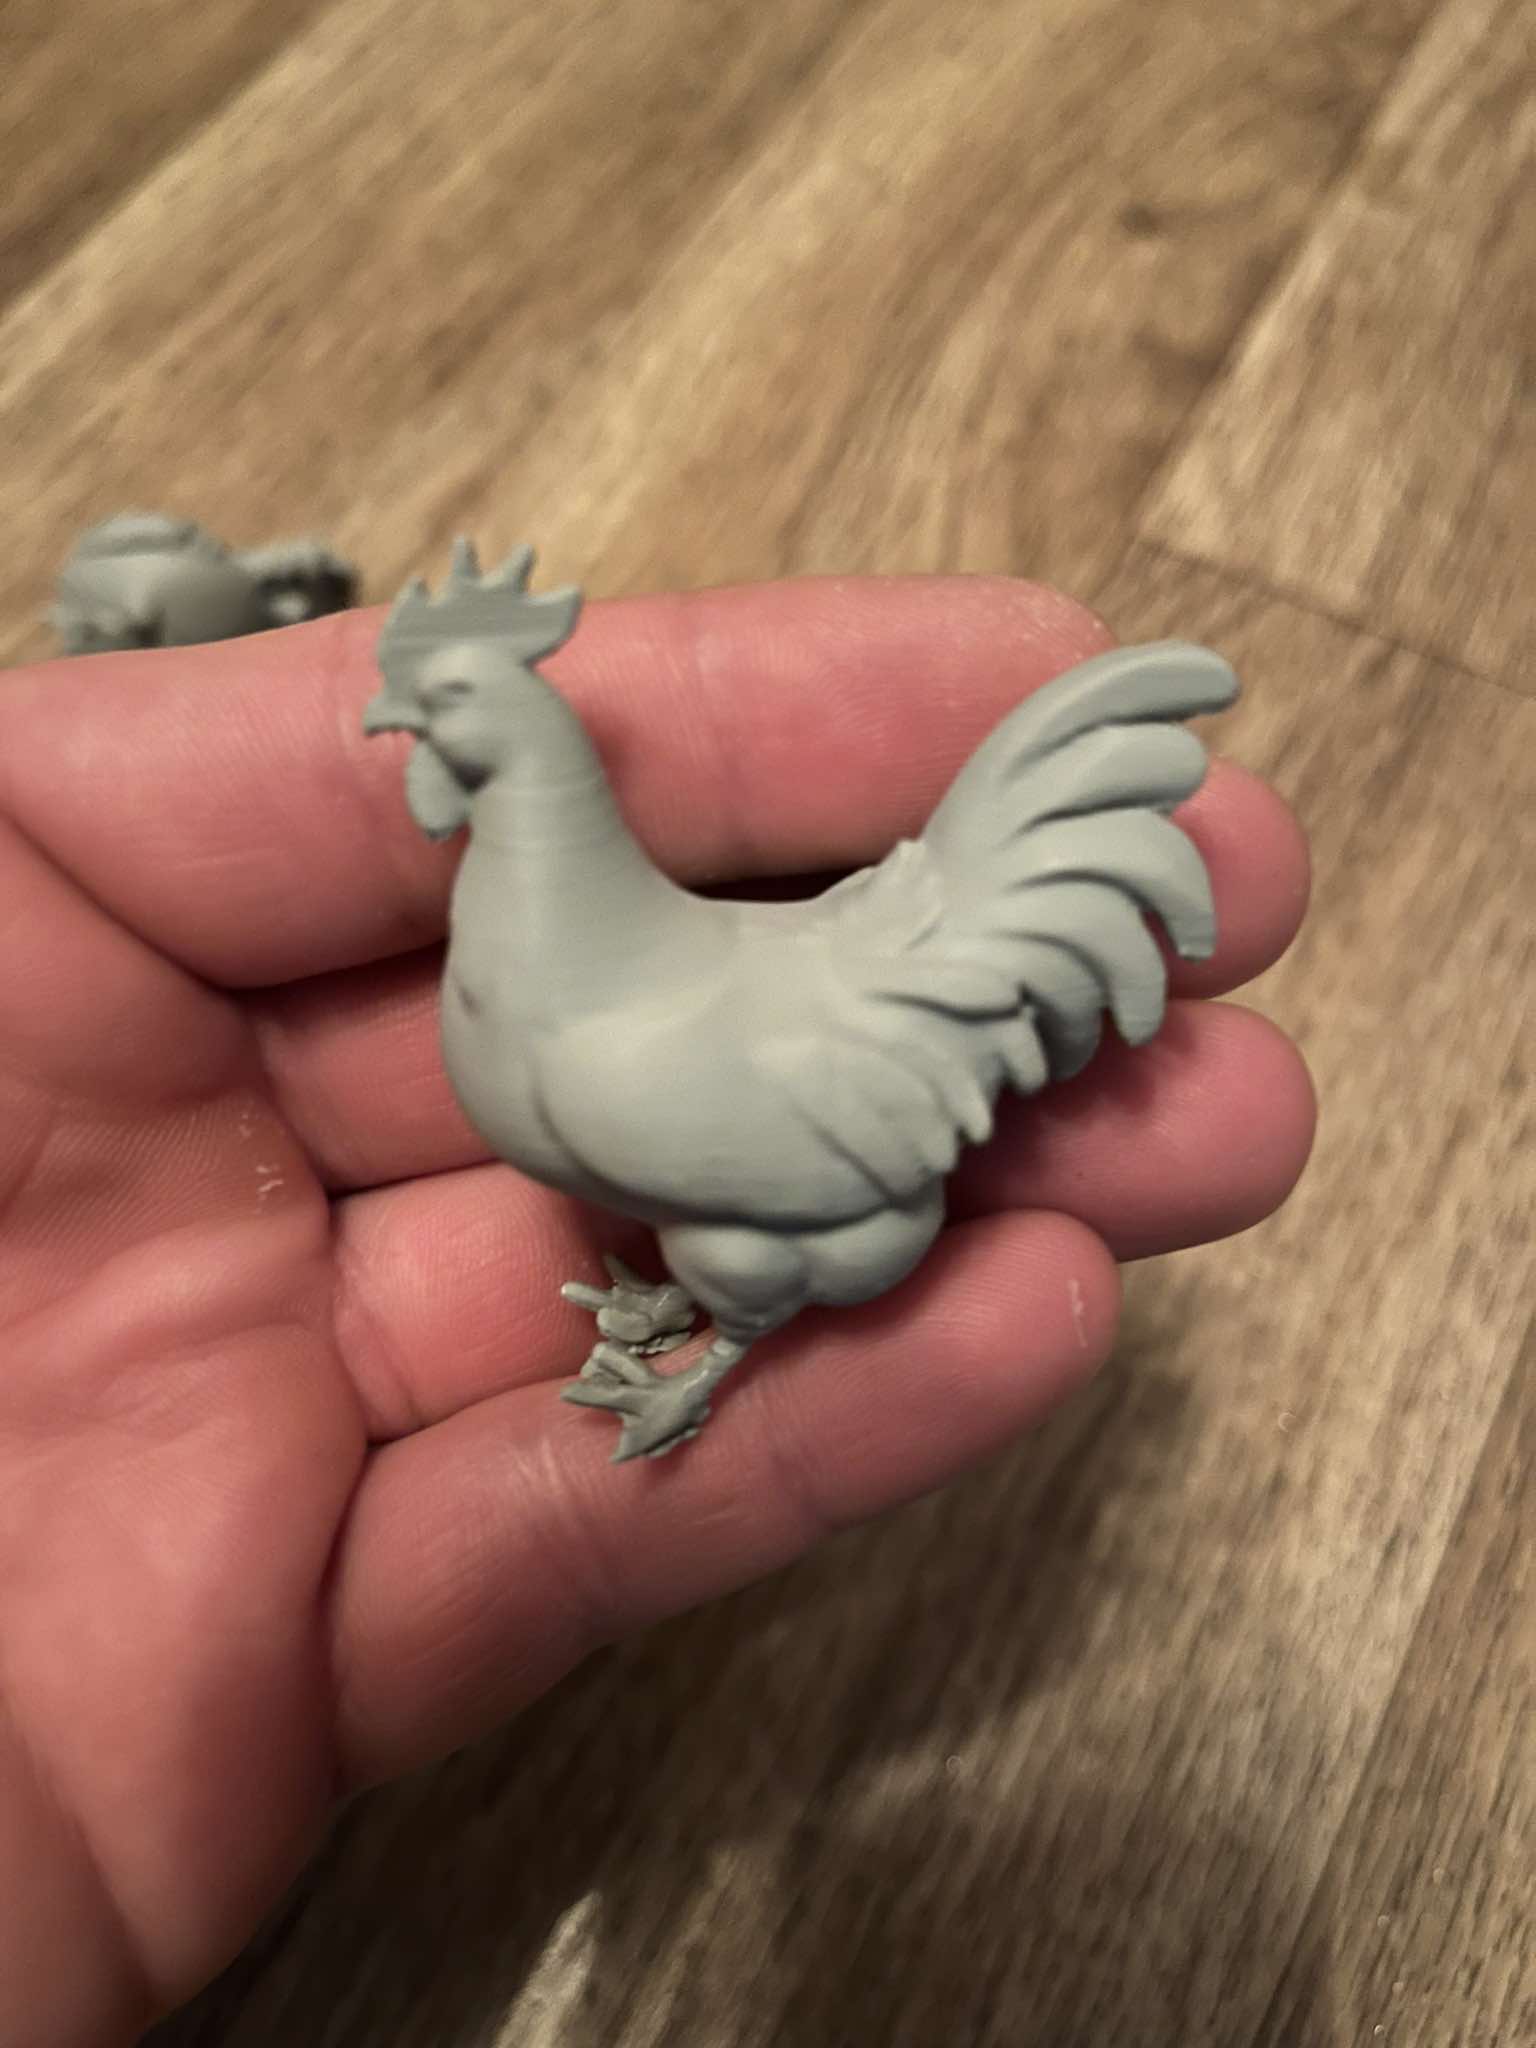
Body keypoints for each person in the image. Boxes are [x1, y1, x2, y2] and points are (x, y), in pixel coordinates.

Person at [0, 574, 1314, 2044]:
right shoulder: (560, 986)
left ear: (511, 754)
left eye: (441, 709)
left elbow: (863, 1214)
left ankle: (717, 1345)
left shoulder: (600, 1045)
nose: (396, 723)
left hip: (833, 1163)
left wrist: (713, 1348)